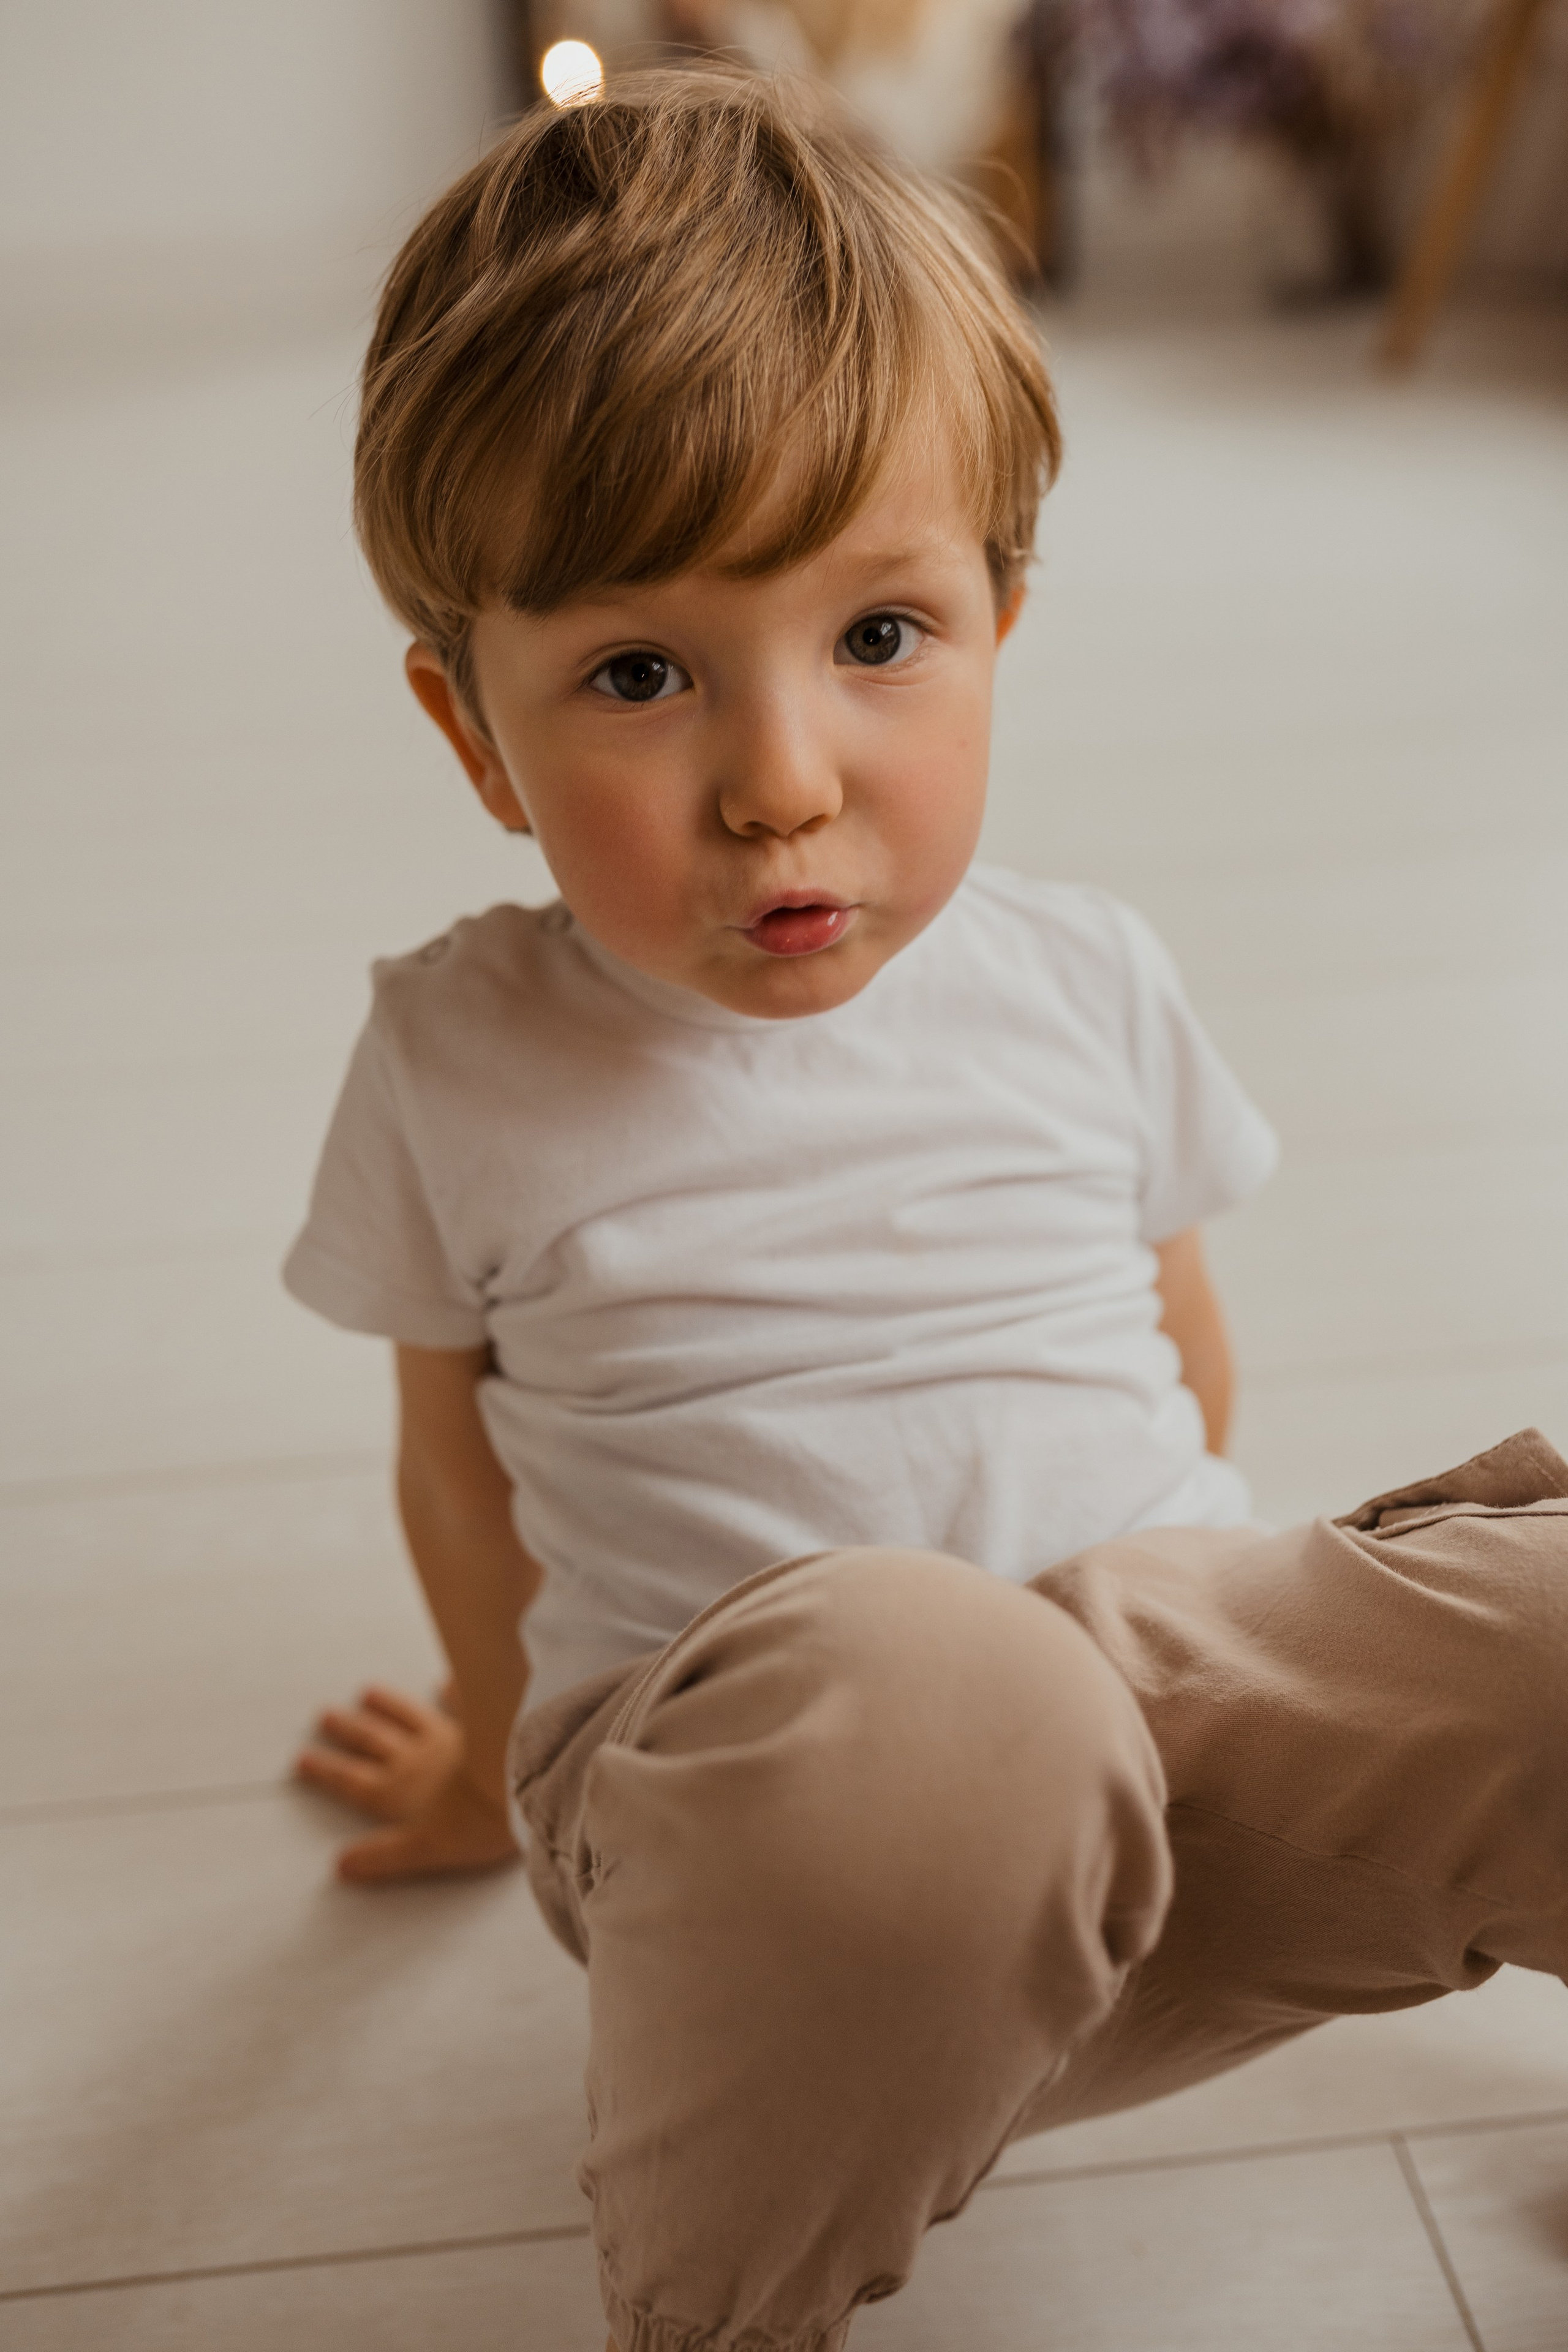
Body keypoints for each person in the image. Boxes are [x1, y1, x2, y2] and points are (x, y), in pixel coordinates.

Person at [284, 69, 1568, 2352]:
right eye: (642, 675)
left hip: (1185, 1789)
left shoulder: (1083, 975)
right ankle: (720, 2314)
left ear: (1001, 615)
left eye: (879, 637)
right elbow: (454, 1466)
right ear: (472, 735)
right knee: (953, 1693)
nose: (782, 779)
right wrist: (498, 1752)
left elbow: (1185, 1354)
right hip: (780, 1871)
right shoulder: (459, 1057)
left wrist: (1257, 1645)